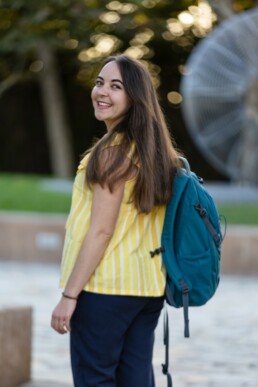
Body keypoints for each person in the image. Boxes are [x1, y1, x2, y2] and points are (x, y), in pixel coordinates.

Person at [51, 54, 180, 387]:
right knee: (135, 380)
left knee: (95, 379)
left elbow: (101, 230)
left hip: (104, 289)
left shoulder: (111, 154)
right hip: (147, 289)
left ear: (134, 98)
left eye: (115, 86)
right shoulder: (155, 154)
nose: (101, 92)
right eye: (99, 83)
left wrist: (69, 295)